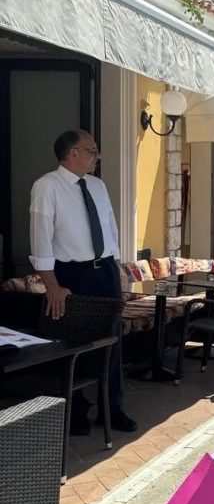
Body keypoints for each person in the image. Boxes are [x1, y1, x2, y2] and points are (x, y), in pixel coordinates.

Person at [29, 130, 137, 435]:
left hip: (104, 272)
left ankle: (112, 409)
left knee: (112, 342)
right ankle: (75, 411)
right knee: (73, 342)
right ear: (72, 153)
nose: (97, 156)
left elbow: (109, 227)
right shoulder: (47, 186)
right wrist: (52, 285)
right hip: (72, 274)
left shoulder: (97, 186)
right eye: (92, 151)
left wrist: (117, 266)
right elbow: (41, 239)